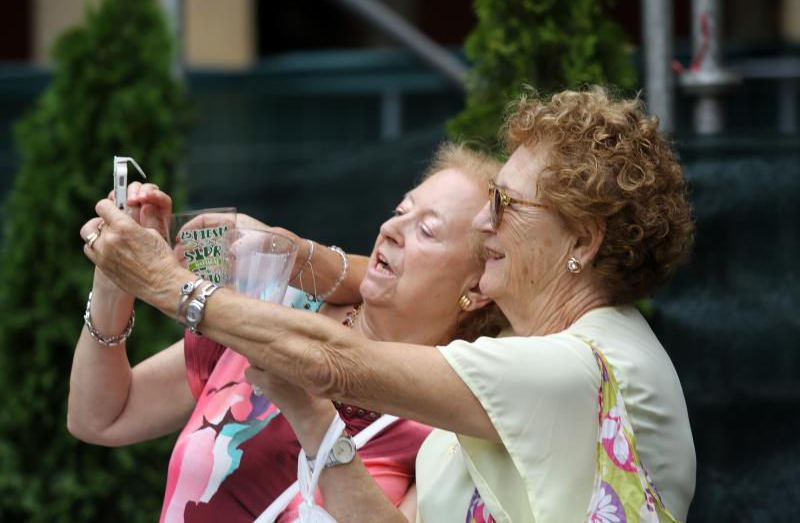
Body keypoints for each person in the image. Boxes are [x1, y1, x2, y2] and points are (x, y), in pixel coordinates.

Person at [81, 86, 697, 522]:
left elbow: (332, 362)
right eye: (403, 210)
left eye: (507, 205)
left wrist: (165, 281)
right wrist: (309, 267)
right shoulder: (528, 367)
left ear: (582, 241)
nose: (486, 224)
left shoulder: (567, 368)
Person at [68, 143, 507, 522]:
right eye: (400, 211)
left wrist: (314, 417)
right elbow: (103, 417)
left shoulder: (445, 420)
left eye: (426, 230)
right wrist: (116, 279)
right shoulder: (277, 302)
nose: (391, 229)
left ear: (477, 287)